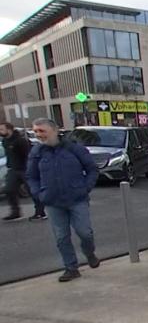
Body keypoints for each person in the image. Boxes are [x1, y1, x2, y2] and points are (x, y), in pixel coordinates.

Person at [26, 118, 100, 282]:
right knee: (61, 237)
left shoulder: (74, 149)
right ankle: (71, 268)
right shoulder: (37, 152)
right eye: (36, 131)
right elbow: (31, 176)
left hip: (77, 199)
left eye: (42, 131)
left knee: (85, 233)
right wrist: (39, 194)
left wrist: (85, 188)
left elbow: (92, 169)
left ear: (55, 130)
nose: (38, 135)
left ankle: (89, 253)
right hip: (53, 202)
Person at [1, 122, 46, 221]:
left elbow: (28, 155)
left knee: (32, 191)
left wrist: (30, 169)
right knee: (9, 189)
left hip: (25, 169)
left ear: (9, 129)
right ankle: (15, 212)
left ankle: (40, 212)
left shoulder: (20, 141)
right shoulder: (5, 141)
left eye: (2, 129)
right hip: (13, 169)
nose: (0, 132)